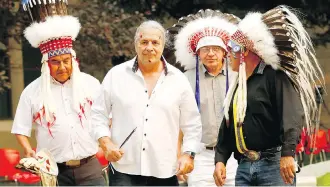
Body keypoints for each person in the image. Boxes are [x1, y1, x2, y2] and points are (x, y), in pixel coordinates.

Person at [213, 5, 324, 186]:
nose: (228, 55)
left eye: (232, 49)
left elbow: (292, 115)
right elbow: (227, 125)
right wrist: (220, 159)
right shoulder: (237, 85)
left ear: (245, 51)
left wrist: (288, 154)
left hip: (274, 164)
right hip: (243, 167)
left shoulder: (275, 76)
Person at [91, 20, 202, 186]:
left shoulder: (179, 80)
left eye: (155, 42)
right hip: (123, 169)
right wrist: (105, 143)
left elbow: (192, 124)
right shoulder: (116, 75)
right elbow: (98, 114)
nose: (149, 47)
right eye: (144, 42)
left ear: (163, 46)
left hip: (164, 169)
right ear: (136, 45)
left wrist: (188, 154)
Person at [11, 0, 104, 185]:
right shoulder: (32, 91)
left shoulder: (91, 84)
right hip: (53, 171)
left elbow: (106, 118)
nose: (62, 66)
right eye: (56, 62)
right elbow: (20, 128)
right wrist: (29, 150)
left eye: (66, 60)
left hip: (90, 167)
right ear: (46, 64)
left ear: (73, 61)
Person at [171, 9, 240, 186]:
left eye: (216, 49)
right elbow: (178, 120)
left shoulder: (237, 76)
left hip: (235, 154)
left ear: (225, 52)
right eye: (205, 49)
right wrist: (180, 155)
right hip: (200, 155)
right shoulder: (185, 79)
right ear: (197, 53)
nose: (211, 53)